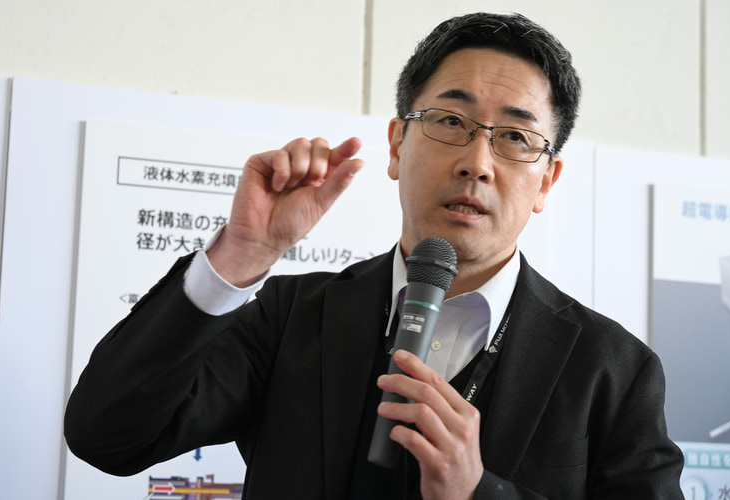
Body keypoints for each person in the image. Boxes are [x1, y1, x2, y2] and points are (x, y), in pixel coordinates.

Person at [65, 12, 685, 499]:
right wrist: (239, 257)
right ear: (396, 145)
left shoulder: (614, 369)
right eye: (451, 121)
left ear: (546, 180)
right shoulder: (290, 316)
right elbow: (108, 437)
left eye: (516, 137)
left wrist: (478, 492)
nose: (477, 163)